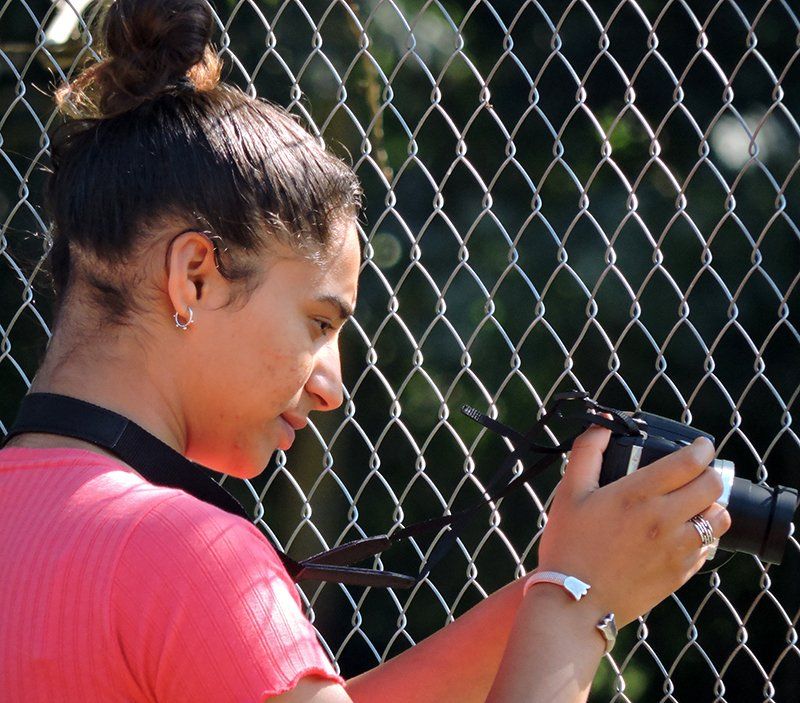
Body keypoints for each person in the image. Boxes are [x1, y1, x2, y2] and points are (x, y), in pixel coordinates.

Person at [0, 1, 730, 701]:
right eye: (320, 323)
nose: (331, 387)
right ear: (193, 276)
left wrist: (569, 580)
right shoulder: (188, 559)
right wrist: (578, 602)